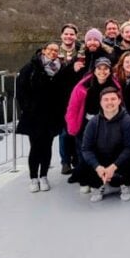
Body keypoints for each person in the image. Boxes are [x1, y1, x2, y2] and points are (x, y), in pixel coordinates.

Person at [16, 43, 68, 192]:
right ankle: (33, 177)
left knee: (47, 146)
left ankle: (44, 175)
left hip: (52, 115)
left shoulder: (61, 69)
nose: (53, 52)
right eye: (50, 49)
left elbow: (64, 91)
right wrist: (27, 107)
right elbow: (21, 90)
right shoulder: (30, 68)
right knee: (35, 146)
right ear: (44, 51)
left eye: (56, 50)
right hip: (34, 115)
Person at [65, 57, 122, 189]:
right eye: (99, 68)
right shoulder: (83, 86)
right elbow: (73, 107)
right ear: (94, 70)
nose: (102, 71)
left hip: (107, 124)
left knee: (102, 152)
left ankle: (102, 178)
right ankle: (85, 180)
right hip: (86, 123)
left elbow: (120, 105)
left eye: (106, 68)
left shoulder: (115, 86)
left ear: (110, 70)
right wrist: (72, 127)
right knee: (84, 152)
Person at [79, 87, 130, 202]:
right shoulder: (93, 123)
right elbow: (86, 149)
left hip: (119, 160)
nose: (109, 102)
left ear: (119, 101)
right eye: (106, 100)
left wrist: (113, 167)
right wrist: (98, 167)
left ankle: (124, 184)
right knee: (83, 164)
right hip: (101, 159)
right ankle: (97, 185)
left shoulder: (127, 121)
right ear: (100, 102)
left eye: (113, 99)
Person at [56, 23, 81, 174]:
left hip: (77, 96)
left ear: (76, 36)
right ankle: (65, 161)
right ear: (61, 35)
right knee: (64, 132)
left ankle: (77, 159)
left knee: (77, 129)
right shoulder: (55, 52)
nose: (68, 36)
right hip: (61, 97)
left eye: (71, 34)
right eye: (66, 34)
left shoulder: (81, 52)